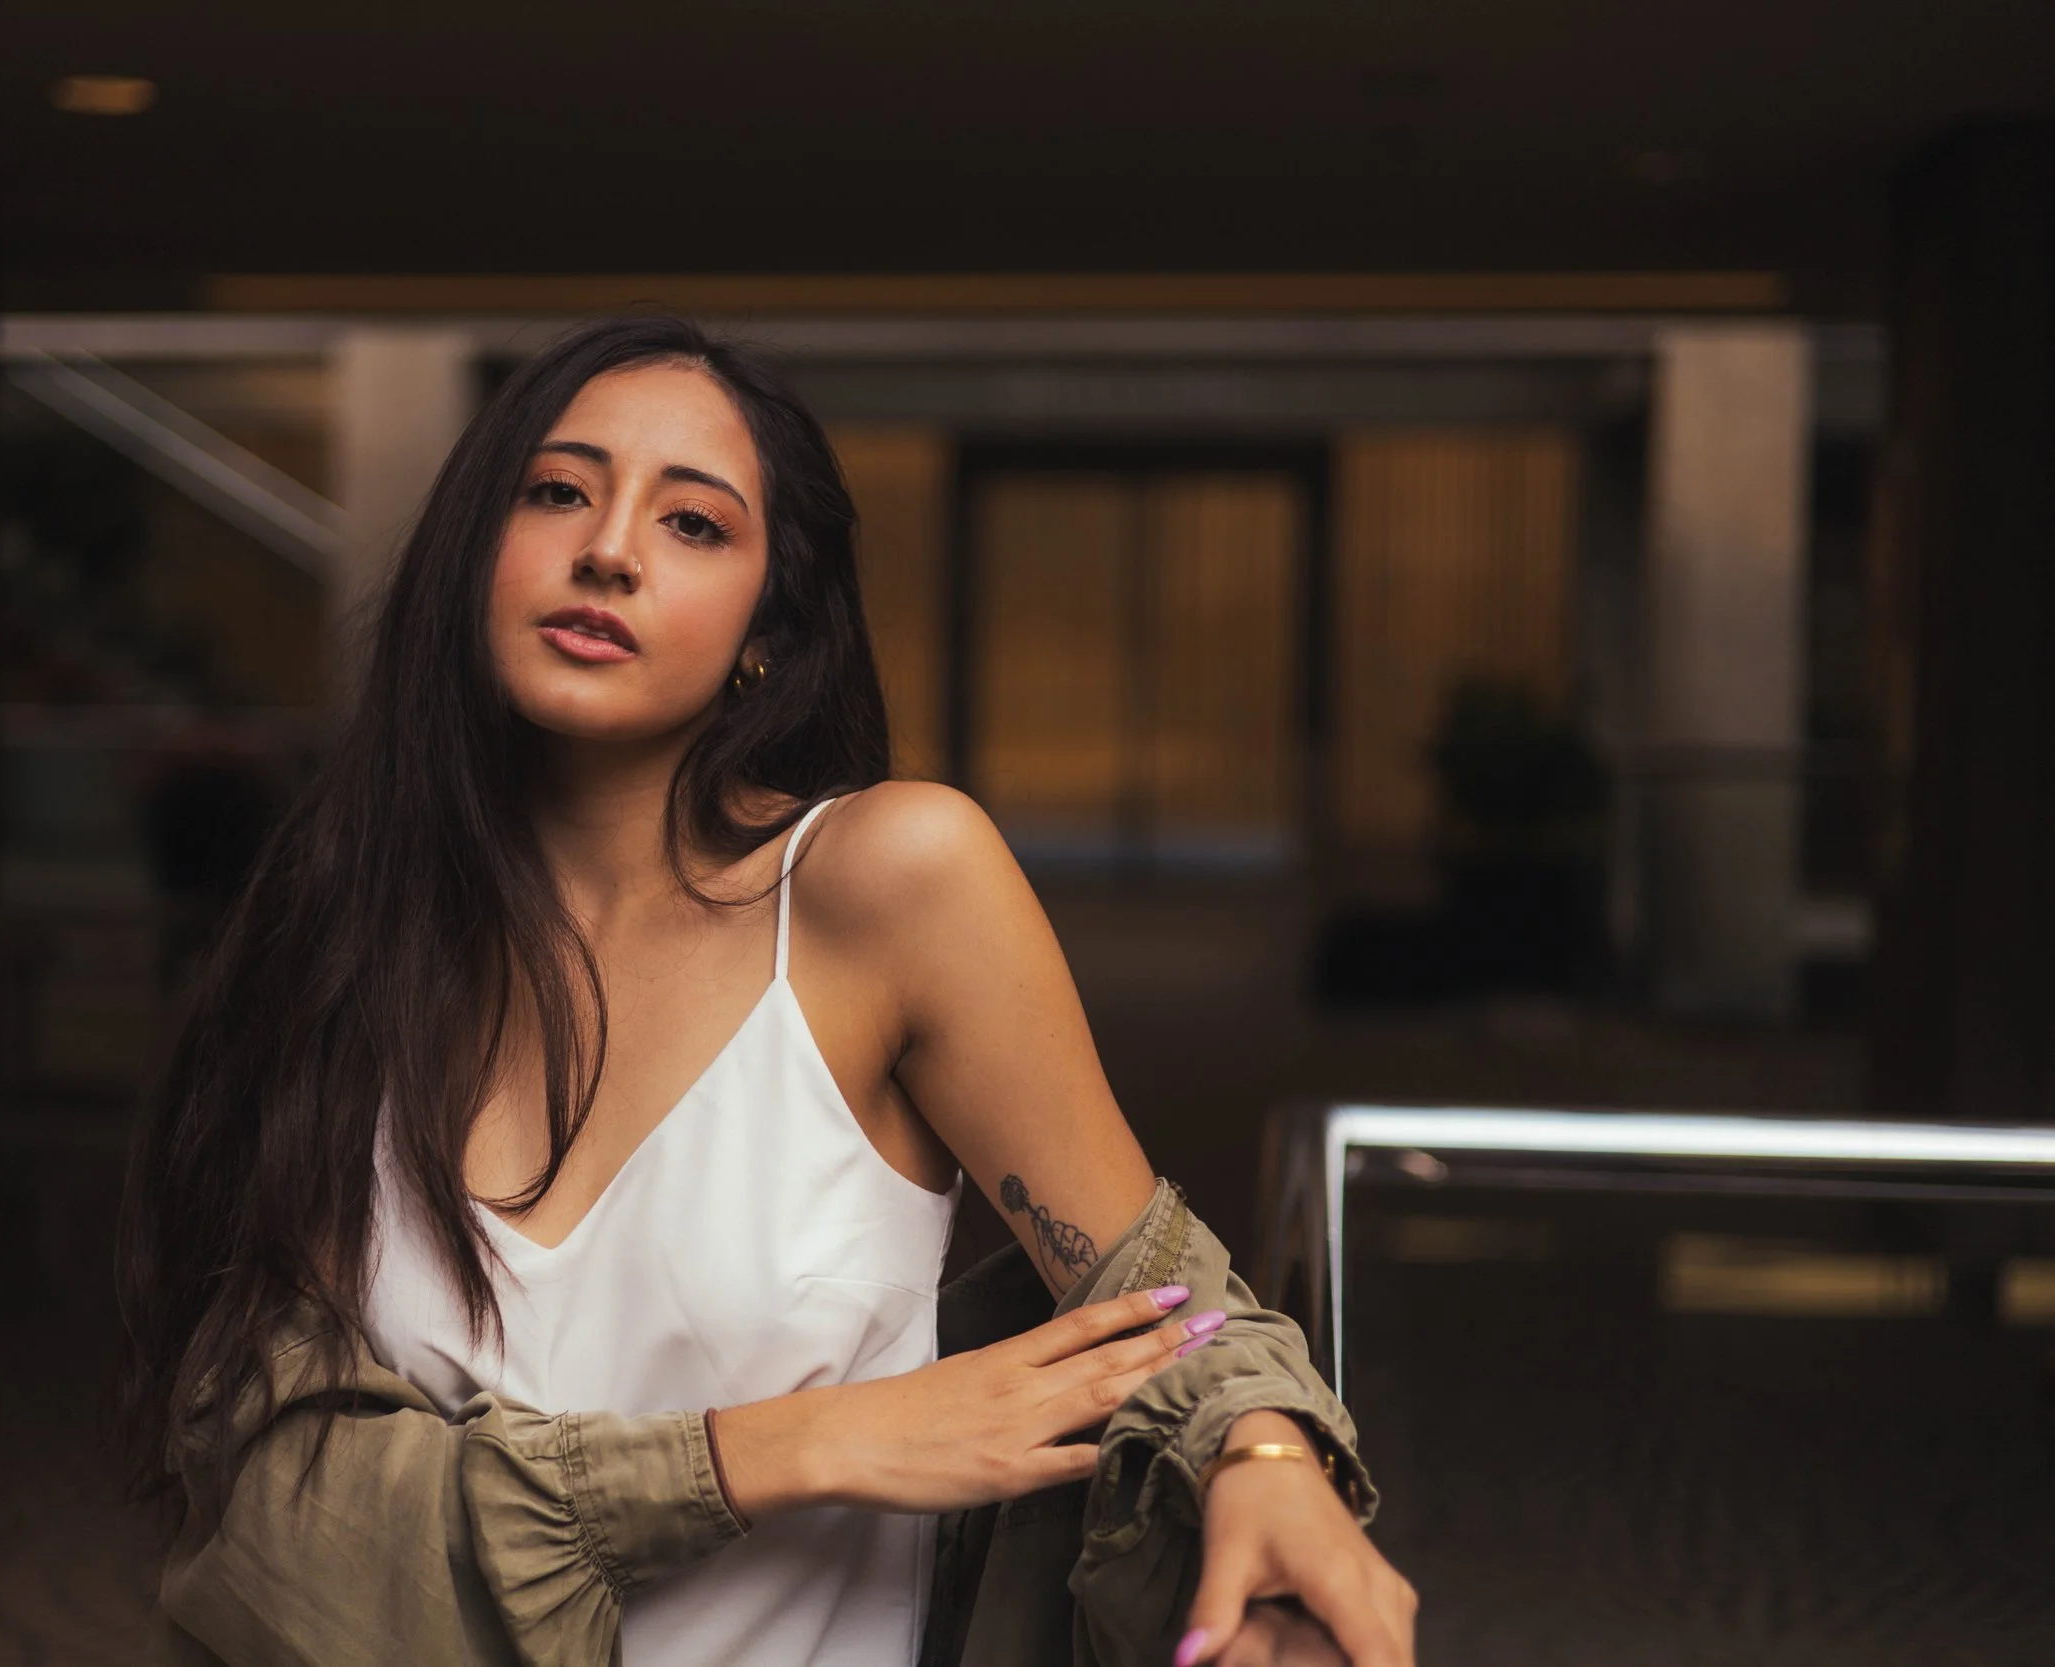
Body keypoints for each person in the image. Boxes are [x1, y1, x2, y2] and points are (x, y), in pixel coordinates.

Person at [115, 317, 1416, 1667]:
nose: (607, 547)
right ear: (472, 558)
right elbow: (283, 1508)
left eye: (693, 525)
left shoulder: (884, 883)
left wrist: (1263, 1447)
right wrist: (785, 1447)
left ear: (764, 632)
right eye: (557, 491)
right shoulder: (344, 931)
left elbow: (1160, 1289)